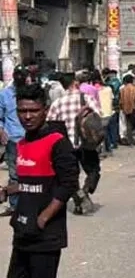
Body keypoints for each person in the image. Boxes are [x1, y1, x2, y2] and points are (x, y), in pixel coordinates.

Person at [0, 83, 80, 278]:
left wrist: (45, 217)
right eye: (22, 110)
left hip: (46, 232)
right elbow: (31, 180)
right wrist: (9, 190)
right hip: (22, 227)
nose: (27, 116)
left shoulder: (57, 140)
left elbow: (69, 183)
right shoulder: (23, 142)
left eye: (33, 110)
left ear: (45, 110)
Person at [46, 73, 98, 215]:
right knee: (93, 171)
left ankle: (78, 200)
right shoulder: (86, 99)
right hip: (86, 143)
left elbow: (50, 123)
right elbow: (98, 116)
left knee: (71, 176)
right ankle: (85, 191)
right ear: (75, 82)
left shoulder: (57, 103)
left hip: (65, 145)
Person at [0, 68, 28, 214]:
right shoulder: (4, 95)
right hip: (13, 139)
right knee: (14, 174)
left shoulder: (29, 93)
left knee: (30, 171)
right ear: (14, 77)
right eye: (18, 75)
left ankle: (31, 202)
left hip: (30, 139)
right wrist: (1, 131)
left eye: (22, 75)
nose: (20, 78)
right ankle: (14, 205)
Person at [119, 74, 135, 146]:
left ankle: (130, 140)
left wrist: (122, 107)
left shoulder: (122, 89)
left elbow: (121, 100)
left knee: (128, 124)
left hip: (126, 109)